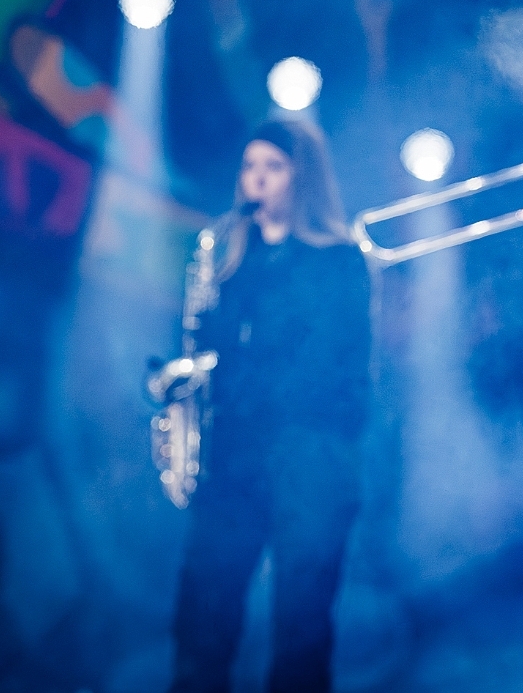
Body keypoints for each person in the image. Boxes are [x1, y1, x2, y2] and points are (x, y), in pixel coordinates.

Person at [169, 119, 372, 693]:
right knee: (203, 610)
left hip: (311, 455)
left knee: (301, 624)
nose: (256, 180)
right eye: (249, 166)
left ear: (303, 176)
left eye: (273, 167)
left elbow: (337, 365)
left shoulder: (338, 260)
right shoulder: (230, 260)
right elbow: (207, 344)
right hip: (234, 454)